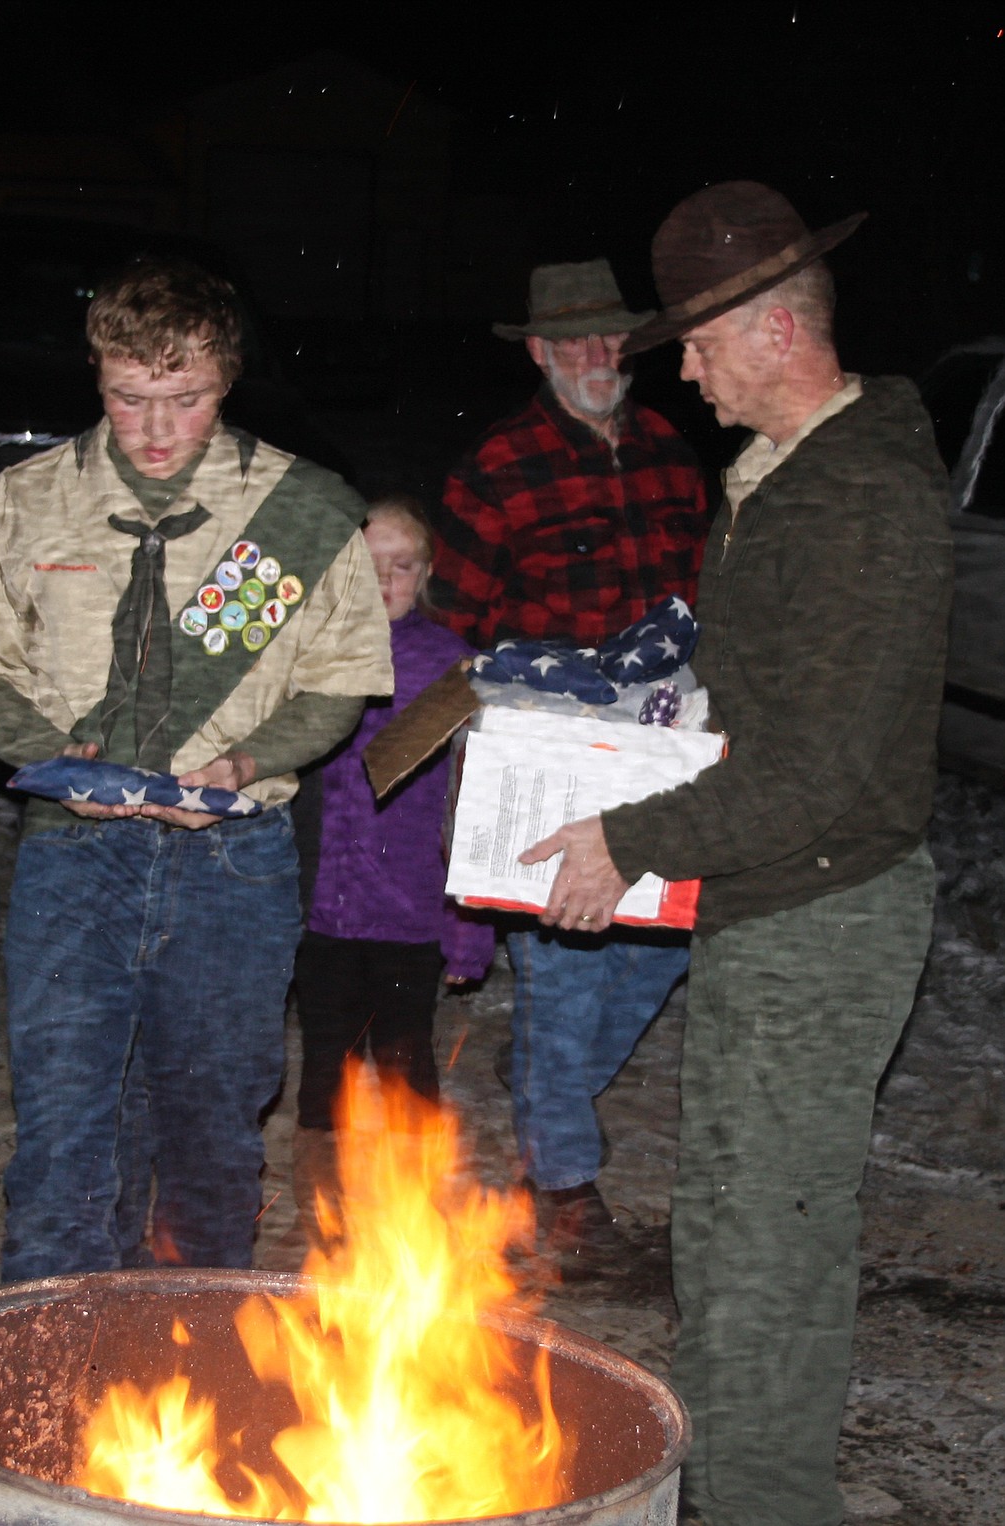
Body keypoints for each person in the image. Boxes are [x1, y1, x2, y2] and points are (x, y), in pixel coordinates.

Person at [521, 183, 953, 1526]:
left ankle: (758, 1498)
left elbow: (818, 768)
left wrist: (626, 837)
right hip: (772, 899)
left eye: (697, 345)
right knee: (727, 1220)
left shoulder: (858, 499)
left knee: (764, 1239)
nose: (683, 372)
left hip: (821, 911)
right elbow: (754, 707)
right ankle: (726, 1478)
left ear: (773, 331)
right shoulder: (783, 481)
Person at [0, 257, 393, 1280]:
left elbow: (341, 675)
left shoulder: (300, 511)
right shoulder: (30, 500)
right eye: (129, 398)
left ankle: (195, 1362)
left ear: (225, 380)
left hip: (233, 864)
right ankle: (54, 1374)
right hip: (74, 855)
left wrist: (250, 758)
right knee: (64, 1133)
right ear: (97, 379)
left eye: (182, 400)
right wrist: (49, 754)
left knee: (211, 1140)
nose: (152, 428)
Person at [430, 258, 708, 1275]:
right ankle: (564, 1185)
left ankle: (550, 1089)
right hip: (545, 754)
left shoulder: (675, 455)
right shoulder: (497, 467)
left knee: (664, 941)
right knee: (566, 960)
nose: (598, 357)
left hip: (661, 744)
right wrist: (458, 766)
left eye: (612, 339)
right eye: (575, 340)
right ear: (540, 351)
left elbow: (700, 602)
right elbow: (446, 629)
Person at [292, 496, 495, 1233]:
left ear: (428, 572)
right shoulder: (307, 652)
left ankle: (412, 1207)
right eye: (367, 564)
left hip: (410, 915)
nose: (383, 581)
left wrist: (470, 926)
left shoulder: (453, 668)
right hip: (322, 913)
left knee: (405, 1060)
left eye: (401, 566)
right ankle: (324, 1204)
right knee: (326, 1061)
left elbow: (475, 802)